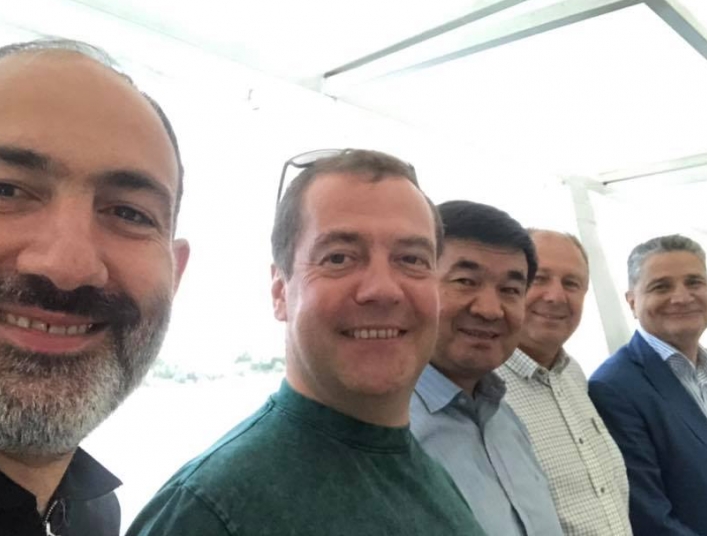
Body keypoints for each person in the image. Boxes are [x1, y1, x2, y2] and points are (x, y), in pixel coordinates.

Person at [0, 39, 190, 536]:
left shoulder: (92, 512)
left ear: (175, 274)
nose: (68, 267)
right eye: (2, 189)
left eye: (129, 213)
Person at [127, 150, 485, 535]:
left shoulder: (428, 473)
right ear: (280, 291)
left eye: (412, 259)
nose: (383, 289)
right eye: (339, 258)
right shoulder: (205, 512)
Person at [410, 200, 564, 536]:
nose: (491, 310)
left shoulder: (504, 419)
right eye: (466, 281)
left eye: (510, 290)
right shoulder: (384, 432)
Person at [590, 234, 707, 535]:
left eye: (694, 282)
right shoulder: (613, 388)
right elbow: (650, 518)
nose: (682, 297)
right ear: (632, 302)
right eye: (661, 287)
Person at [497, 230, 631, 536]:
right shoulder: (482, 389)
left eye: (571, 283)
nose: (556, 296)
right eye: (539, 278)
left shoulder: (573, 374)